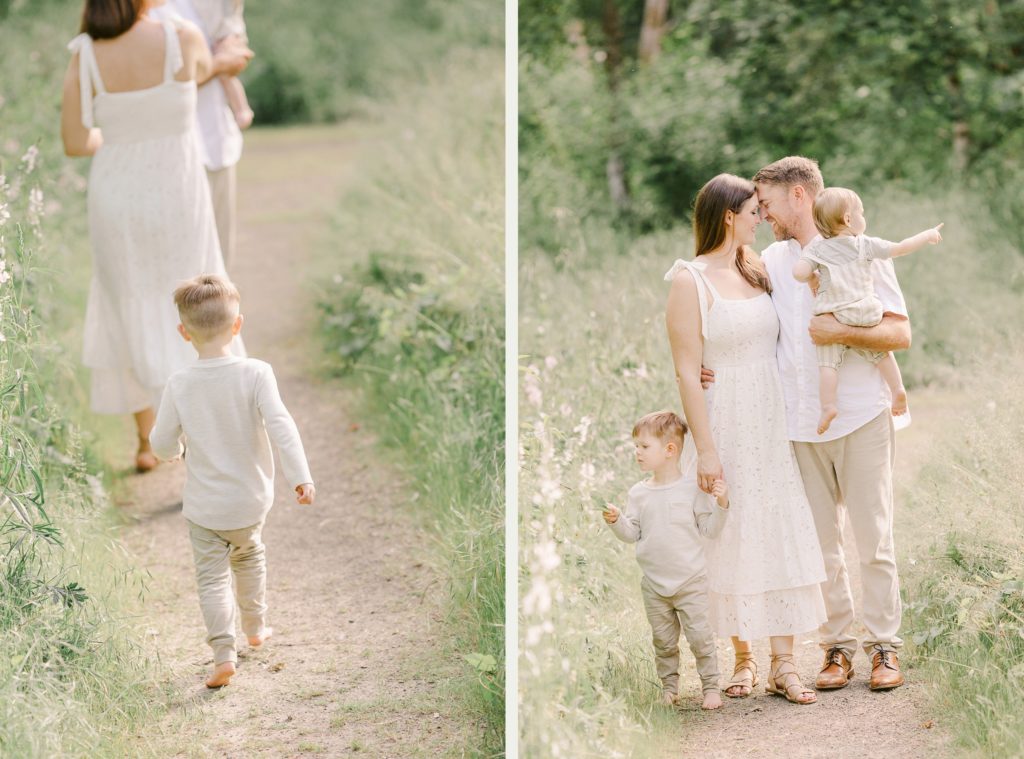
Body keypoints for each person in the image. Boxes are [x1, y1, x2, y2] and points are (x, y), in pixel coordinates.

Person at [61, 0, 252, 472]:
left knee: (128, 301)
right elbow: (210, 67)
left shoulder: (84, 53)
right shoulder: (181, 37)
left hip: (116, 197)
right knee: (195, 300)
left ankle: (148, 442)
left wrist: (120, 137)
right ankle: (209, 435)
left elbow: (74, 141)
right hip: (177, 193)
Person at [665, 173, 827, 705]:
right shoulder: (689, 280)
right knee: (731, 532)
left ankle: (786, 663)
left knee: (778, 525)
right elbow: (689, 372)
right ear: (729, 215)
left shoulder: (757, 268)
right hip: (726, 417)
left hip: (771, 415)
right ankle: (744, 658)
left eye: (763, 209)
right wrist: (706, 452)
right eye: (754, 210)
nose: (762, 217)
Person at [753, 156, 910, 691]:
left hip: (863, 412)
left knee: (874, 540)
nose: (764, 215)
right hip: (798, 426)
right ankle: (837, 649)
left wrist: (837, 332)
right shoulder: (769, 262)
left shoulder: (864, 250)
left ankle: (885, 647)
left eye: (769, 204)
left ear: (799, 197)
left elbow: (898, 334)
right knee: (822, 548)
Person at [149, 274, 315, 688]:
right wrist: (300, 476)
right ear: (237, 325)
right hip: (249, 502)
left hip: (205, 509)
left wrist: (174, 454)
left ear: (183, 333)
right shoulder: (257, 372)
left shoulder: (180, 384)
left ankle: (223, 654)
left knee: (211, 578)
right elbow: (283, 428)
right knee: (249, 554)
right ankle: (256, 627)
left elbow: (160, 441)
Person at [603, 411, 730, 711]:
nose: (637, 452)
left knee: (700, 638)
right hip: (655, 585)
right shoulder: (638, 494)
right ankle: (669, 688)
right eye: (637, 446)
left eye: (644, 447)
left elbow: (709, 529)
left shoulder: (691, 490)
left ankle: (711, 687)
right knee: (663, 642)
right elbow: (632, 533)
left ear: (669, 450)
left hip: (690, 581)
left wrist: (722, 505)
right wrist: (616, 520)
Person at [793, 187, 943, 434]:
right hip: (867, 311)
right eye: (861, 213)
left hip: (836, 313)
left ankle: (828, 406)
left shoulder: (817, 249)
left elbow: (798, 273)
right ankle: (897, 389)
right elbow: (901, 248)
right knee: (880, 353)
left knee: (827, 364)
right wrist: (927, 235)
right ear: (849, 220)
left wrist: (810, 275)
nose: (865, 218)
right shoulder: (865, 244)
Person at [150, 0, 253, 269]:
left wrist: (231, 47)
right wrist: (217, 64)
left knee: (218, 266)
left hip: (215, 141)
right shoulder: (134, 10)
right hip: (162, 151)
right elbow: (153, 82)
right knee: (175, 265)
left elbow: (235, 45)